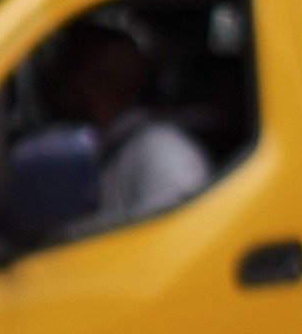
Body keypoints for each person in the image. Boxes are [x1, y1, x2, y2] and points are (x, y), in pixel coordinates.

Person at [45, 18, 211, 228]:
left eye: (67, 75)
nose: (55, 89)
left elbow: (170, 244)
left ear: (96, 86)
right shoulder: (106, 147)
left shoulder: (162, 152)